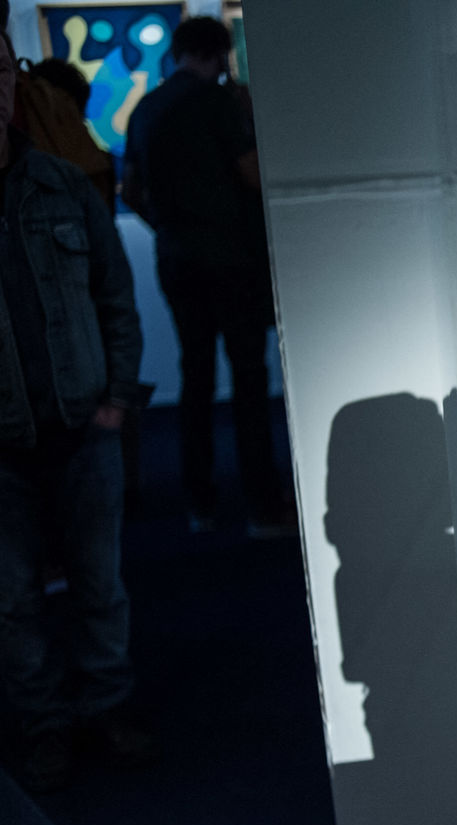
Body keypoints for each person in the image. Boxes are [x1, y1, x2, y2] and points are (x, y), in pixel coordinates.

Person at [0, 25, 152, 791]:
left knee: (100, 584)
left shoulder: (62, 184)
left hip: (86, 425)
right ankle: (45, 723)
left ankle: (106, 705)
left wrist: (116, 401)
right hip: (3, 447)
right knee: (13, 601)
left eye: (0, 71)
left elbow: (115, 299)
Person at [123, 16, 289, 536]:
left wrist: (170, 227)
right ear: (218, 55)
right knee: (248, 379)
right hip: (231, 258)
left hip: (177, 259)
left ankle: (200, 503)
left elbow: (131, 191)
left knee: (195, 377)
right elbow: (252, 175)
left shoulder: (146, 108)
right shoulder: (220, 102)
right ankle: (263, 506)